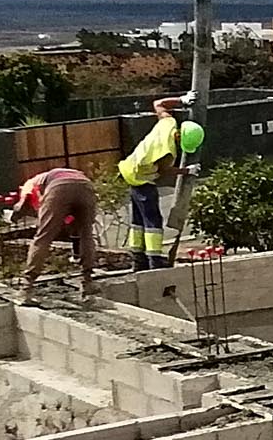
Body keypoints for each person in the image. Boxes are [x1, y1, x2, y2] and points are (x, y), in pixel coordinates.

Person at [10, 165, 98, 304]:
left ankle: (26, 288)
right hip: (86, 186)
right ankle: (88, 283)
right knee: (86, 234)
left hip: (59, 187)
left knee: (43, 237)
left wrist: (15, 214)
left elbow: (21, 206)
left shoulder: (29, 183)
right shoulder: (61, 174)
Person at [114, 96, 184, 266]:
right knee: (152, 220)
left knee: (138, 221)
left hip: (129, 171)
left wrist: (182, 99)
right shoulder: (168, 151)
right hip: (141, 179)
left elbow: (158, 104)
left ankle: (138, 259)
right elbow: (163, 171)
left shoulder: (168, 123)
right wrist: (186, 171)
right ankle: (154, 260)